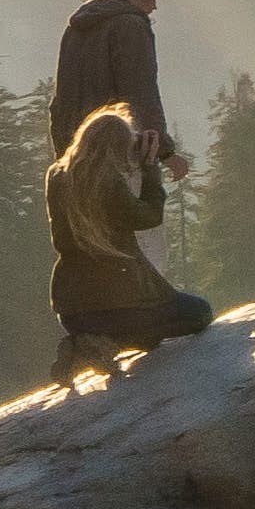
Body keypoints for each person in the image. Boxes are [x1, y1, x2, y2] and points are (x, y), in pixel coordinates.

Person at [44, 109, 215, 375]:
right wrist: (149, 169)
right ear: (117, 148)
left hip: (73, 312)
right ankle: (101, 344)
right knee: (199, 313)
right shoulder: (108, 182)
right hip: (121, 305)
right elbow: (148, 216)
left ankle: (86, 343)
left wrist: (134, 144)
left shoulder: (57, 177)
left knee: (148, 335)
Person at [49, 0, 187, 179]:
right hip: (116, 153)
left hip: (74, 155)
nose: (155, 6)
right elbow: (140, 93)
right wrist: (165, 152)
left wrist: (63, 153)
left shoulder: (75, 29)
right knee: (143, 211)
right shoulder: (131, 26)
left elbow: (62, 97)